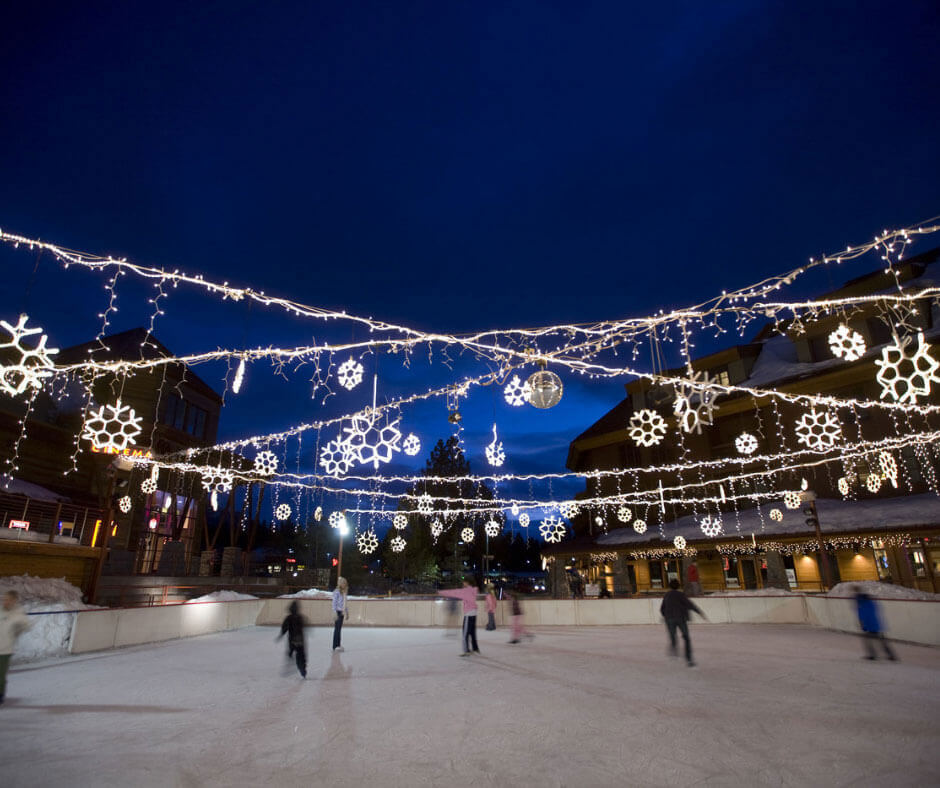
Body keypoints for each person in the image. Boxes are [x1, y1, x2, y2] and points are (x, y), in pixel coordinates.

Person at [660, 579, 707, 667]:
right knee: (686, 638)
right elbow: (690, 604)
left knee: (673, 636)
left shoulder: (667, 595)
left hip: (670, 619)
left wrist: (665, 615)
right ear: (678, 586)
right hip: (680, 618)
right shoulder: (681, 595)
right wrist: (700, 612)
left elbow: (662, 608)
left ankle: (674, 651)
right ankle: (689, 659)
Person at [0, 590, 31, 703]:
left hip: (4, 650)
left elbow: (27, 626)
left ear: (14, 601)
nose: (5, 602)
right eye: (4, 599)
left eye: (8, 600)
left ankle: (0, 695)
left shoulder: (19, 614)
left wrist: (19, 627)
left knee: (0, 676)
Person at [854, 585, 897, 661]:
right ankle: (890, 655)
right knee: (880, 641)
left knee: (872, 641)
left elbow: (863, 615)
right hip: (875, 625)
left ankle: (874, 655)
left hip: (870, 626)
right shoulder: (870, 603)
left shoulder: (862, 605)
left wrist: (863, 625)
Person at [438, 577, 480, 656]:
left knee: (465, 633)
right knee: (472, 632)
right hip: (474, 613)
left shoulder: (465, 591)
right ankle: (475, 648)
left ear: (467, 582)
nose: (463, 583)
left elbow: (454, 592)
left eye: (464, 582)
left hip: (468, 613)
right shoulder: (474, 590)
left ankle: (466, 650)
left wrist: (441, 592)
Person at [277, 601, 307, 678]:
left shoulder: (289, 618)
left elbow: (284, 628)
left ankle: (298, 666)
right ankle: (302, 670)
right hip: (299, 640)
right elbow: (304, 625)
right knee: (300, 656)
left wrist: (281, 635)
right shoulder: (300, 617)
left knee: (293, 653)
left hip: (293, 640)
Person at [332, 577, 349, 652]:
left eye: (345, 583)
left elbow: (344, 604)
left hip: (342, 612)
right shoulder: (337, 592)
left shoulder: (344, 592)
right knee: (337, 629)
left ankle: (338, 644)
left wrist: (347, 612)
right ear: (341, 583)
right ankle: (335, 646)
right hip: (338, 612)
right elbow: (334, 602)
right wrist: (334, 612)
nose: (345, 584)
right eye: (343, 583)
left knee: (339, 629)